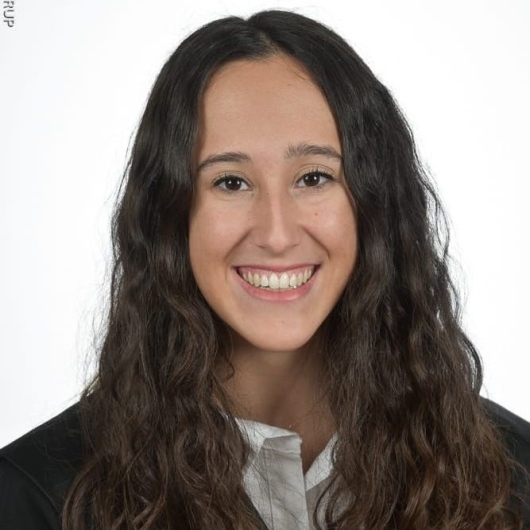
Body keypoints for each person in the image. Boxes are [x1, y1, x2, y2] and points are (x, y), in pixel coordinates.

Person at [0, 9, 529, 530]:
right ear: (170, 214)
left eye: (314, 177)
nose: (277, 234)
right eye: (231, 182)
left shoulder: (514, 480)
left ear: (375, 203)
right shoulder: (37, 497)